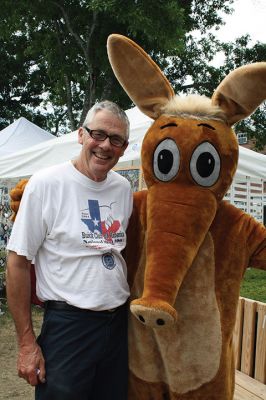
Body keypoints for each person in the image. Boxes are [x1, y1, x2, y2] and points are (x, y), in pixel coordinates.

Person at [6, 100, 133, 400]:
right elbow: (17, 262)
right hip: (69, 327)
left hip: (118, 325)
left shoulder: (123, 188)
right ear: (81, 134)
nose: (105, 146)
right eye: (98, 134)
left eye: (116, 140)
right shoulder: (47, 184)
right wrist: (26, 344)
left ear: (124, 148)